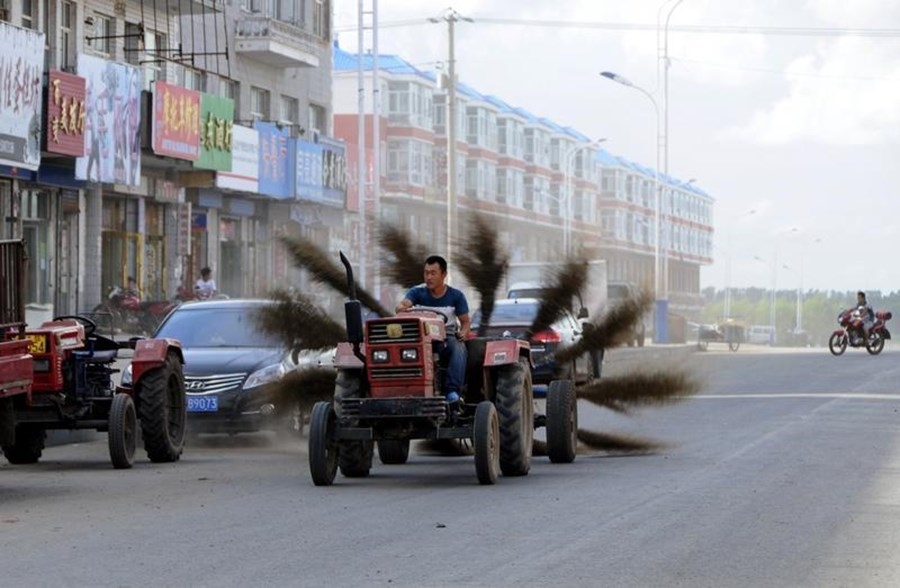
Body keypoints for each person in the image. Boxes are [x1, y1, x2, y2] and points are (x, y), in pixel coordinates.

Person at [396, 255, 471, 410]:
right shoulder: (417, 292)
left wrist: (463, 333)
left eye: (433, 273)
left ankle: (452, 392)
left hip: (445, 336)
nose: (429, 277)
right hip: (421, 336)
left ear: (443, 275)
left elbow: (465, 322)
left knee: (458, 348)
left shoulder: (456, 296)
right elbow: (405, 304)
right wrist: (401, 307)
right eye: (426, 273)